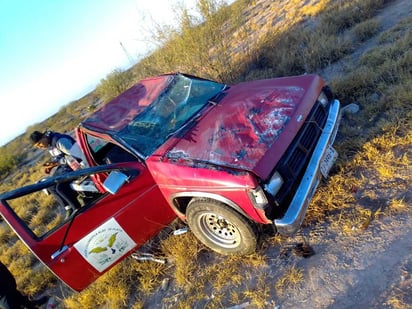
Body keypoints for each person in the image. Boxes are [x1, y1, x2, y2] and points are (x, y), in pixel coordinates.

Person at [30, 130, 83, 219]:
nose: (40, 147)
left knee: (60, 188)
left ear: (43, 137)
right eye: (37, 146)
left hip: (76, 167)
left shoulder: (59, 141)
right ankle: (68, 208)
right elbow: (59, 157)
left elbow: (77, 155)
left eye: (39, 144)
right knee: (50, 185)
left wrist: (57, 163)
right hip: (65, 167)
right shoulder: (50, 144)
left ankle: (77, 209)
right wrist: (51, 166)